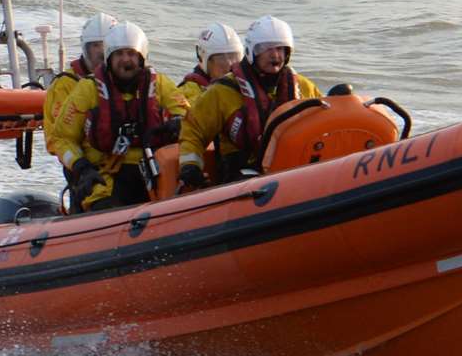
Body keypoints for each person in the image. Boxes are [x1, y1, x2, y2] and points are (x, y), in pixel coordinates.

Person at [50, 21, 189, 212]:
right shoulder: (88, 89)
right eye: (119, 54)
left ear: (141, 58)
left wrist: (178, 123)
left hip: (153, 173)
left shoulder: (159, 85)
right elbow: (62, 138)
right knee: (104, 208)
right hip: (104, 177)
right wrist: (82, 168)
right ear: (109, 58)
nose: (125, 60)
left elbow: (186, 115)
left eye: (131, 54)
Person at [177, 15, 321, 190]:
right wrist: (190, 166)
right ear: (252, 51)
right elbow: (193, 129)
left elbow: (322, 123)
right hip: (241, 177)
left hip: (294, 168)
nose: (275, 55)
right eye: (266, 48)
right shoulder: (223, 91)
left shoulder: (304, 87)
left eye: (280, 48)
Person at [43, 12, 117, 159]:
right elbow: (59, 137)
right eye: (96, 45)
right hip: (84, 162)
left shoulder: (126, 80)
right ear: (86, 48)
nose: (101, 51)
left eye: (106, 45)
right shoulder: (65, 85)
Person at [177, 22, 244, 106]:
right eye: (221, 58)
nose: (229, 65)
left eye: (234, 57)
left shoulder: (246, 88)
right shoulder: (186, 95)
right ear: (204, 59)